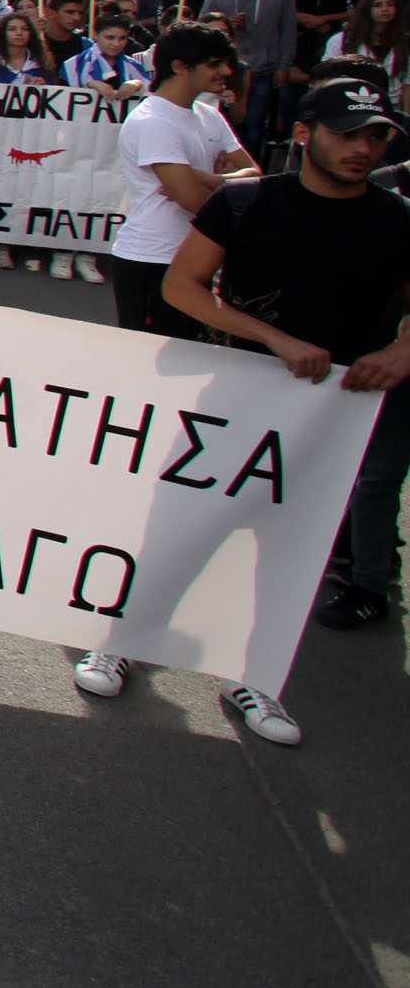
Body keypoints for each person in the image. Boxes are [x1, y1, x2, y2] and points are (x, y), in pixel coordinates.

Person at [81, 77, 410, 745]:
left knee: (289, 543)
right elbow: (184, 287)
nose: (364, 147)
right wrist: (273, 339)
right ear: (304, 133)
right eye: (348, 133)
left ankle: (252, 672)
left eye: (377, 136)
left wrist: (403, 350)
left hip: (340, 409)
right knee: (182, 520)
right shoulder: (245, 202)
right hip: (240, 392)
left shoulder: (397, 216)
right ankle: (121, 639)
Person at [107, 25, 258, 339]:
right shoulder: (154, 121)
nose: (226, 72)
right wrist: (226, 187)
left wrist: (214, 179)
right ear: (179, 66)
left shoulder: (209, 114)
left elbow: (255, 175)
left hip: (195, 259)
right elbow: (192, 199)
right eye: (214, 64)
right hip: (152, 259)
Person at [200, 0, 296, 156]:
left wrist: (284, 66)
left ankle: (251, 164)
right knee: (223, 120)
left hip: (264, 68)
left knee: (255, 121)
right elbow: (201, 27)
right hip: (227, 67)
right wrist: (226, 23)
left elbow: (289, 32)